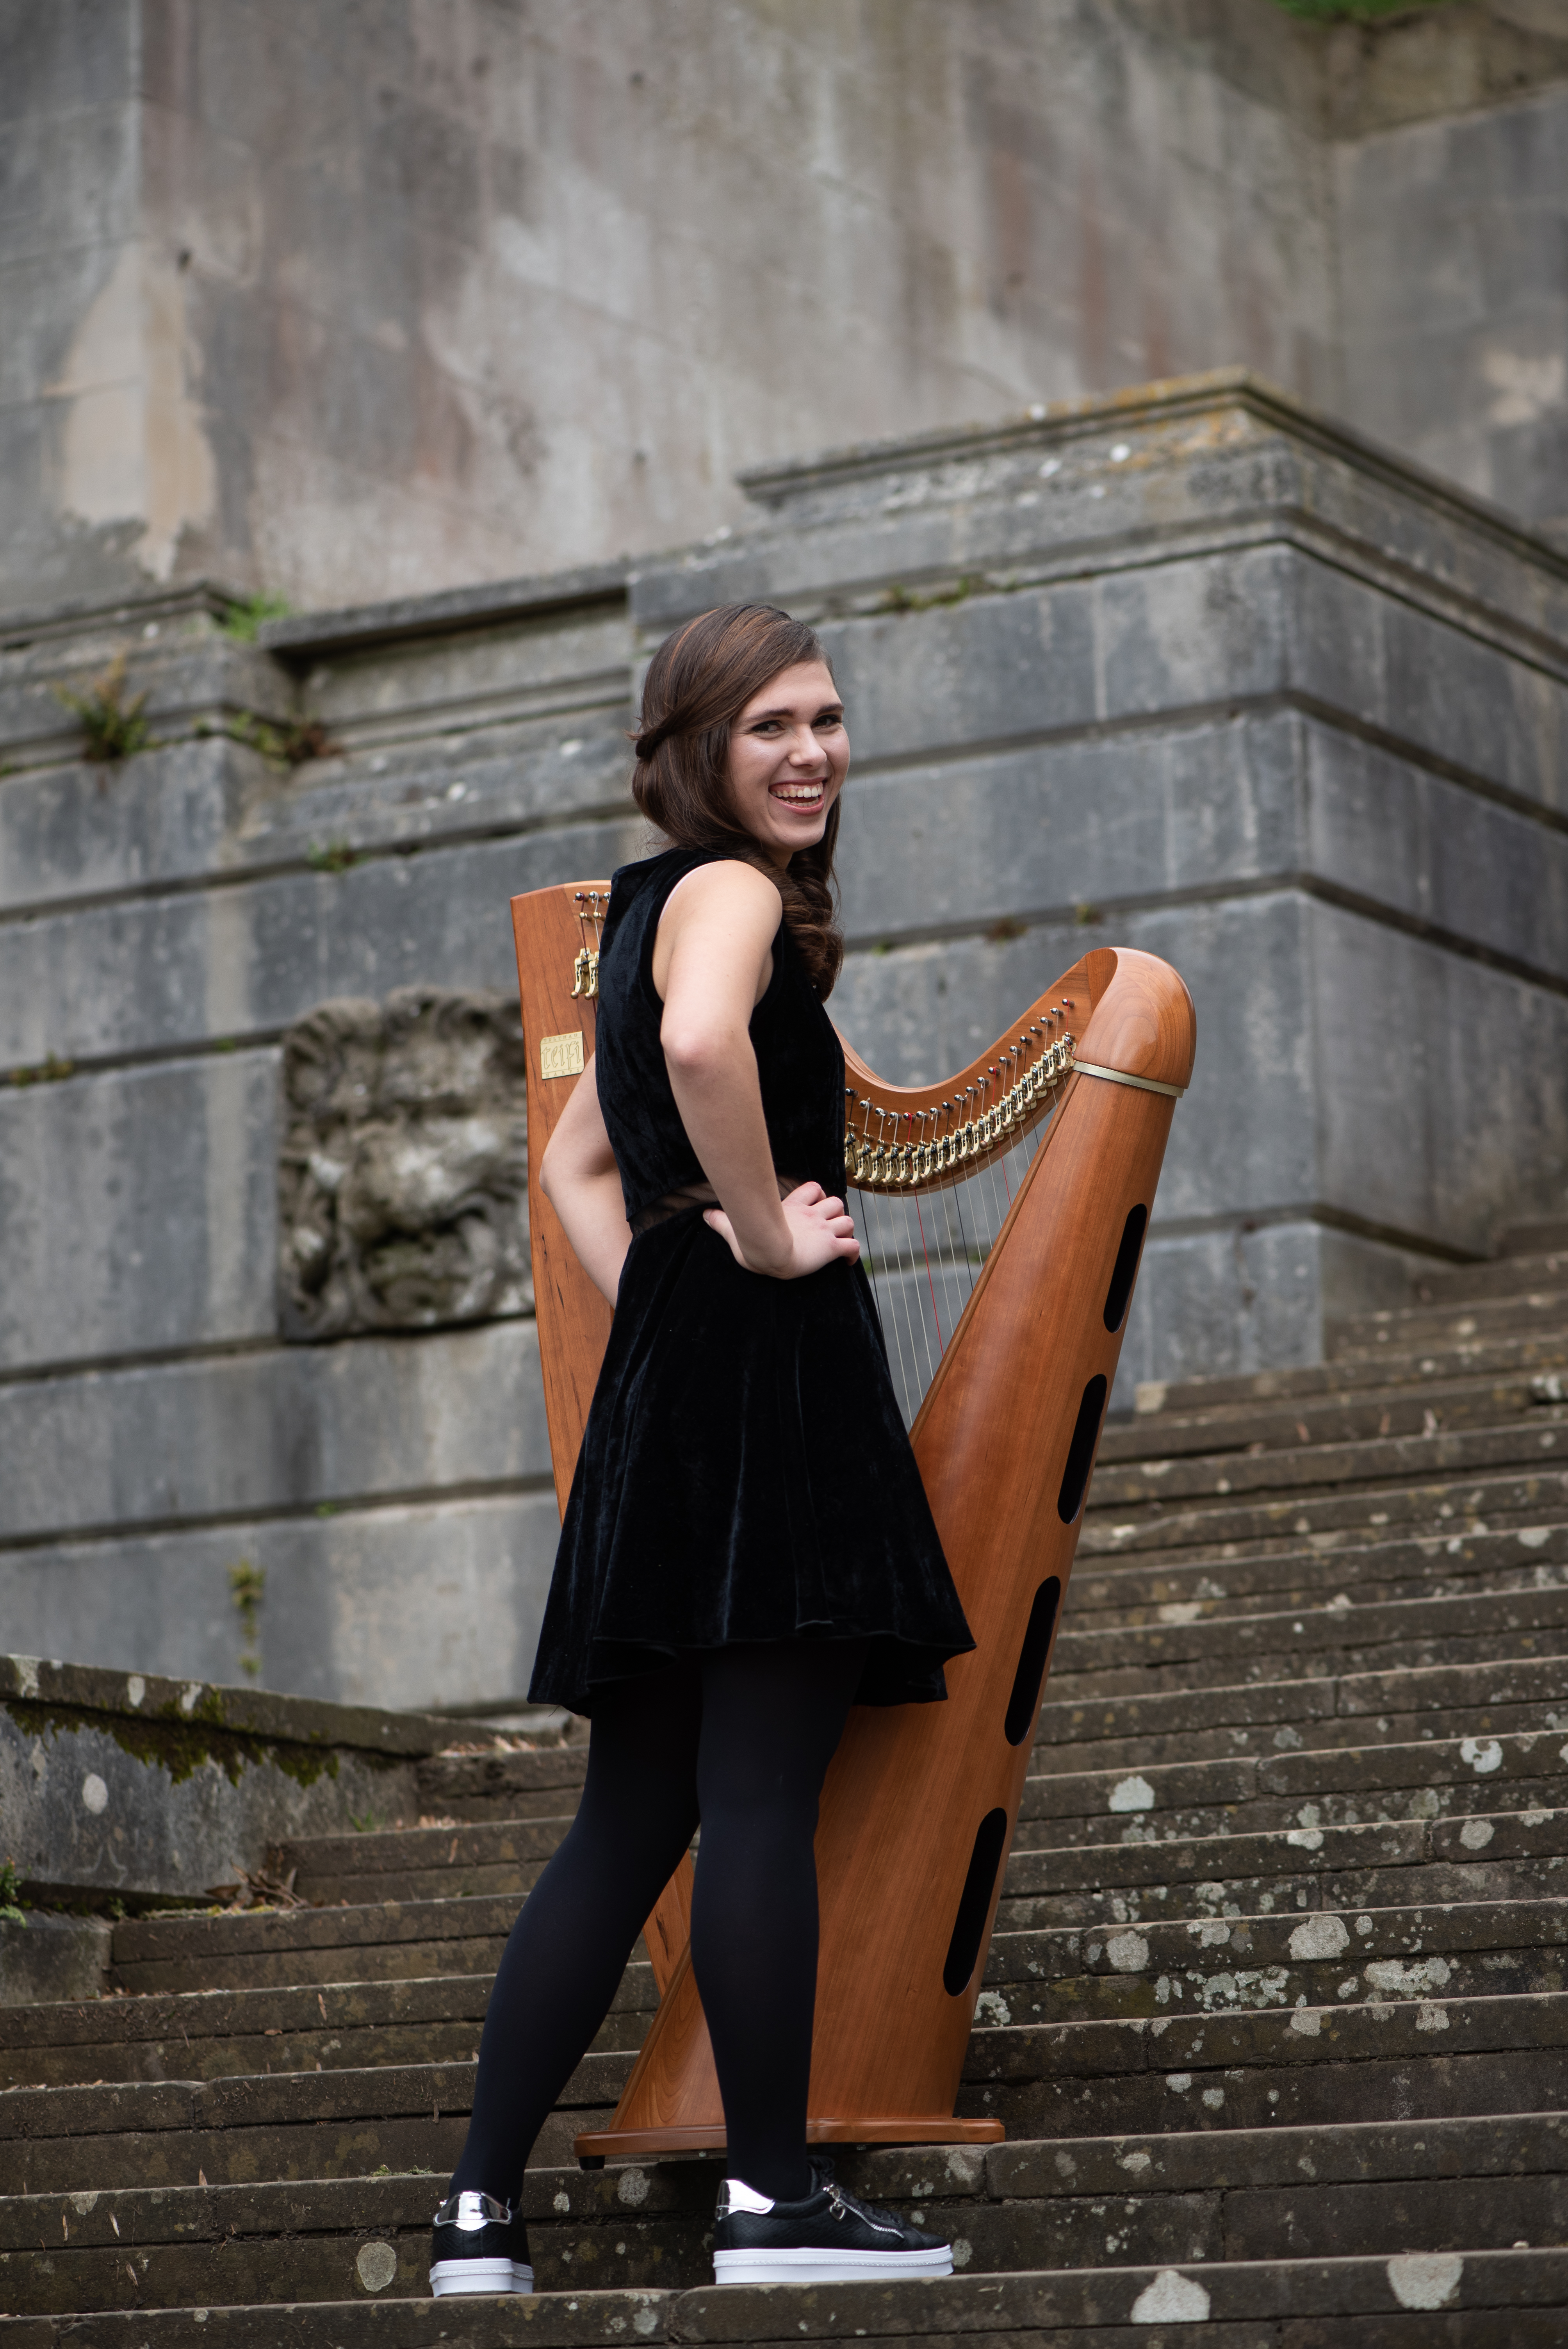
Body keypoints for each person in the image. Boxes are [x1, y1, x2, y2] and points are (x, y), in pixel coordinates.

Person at [430, 603, 974, 2297]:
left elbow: (574, 1170)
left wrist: (668, 1276)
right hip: (764, 1373)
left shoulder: (641, 914)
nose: (811, 751)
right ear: (697, 751)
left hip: (671, 1381)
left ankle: (474, 2218)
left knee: (627, 1818)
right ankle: (768, 2200)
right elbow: (690, 1052)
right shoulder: (728, 893)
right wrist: (754, 1239)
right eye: (770, 728)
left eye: (826, 719)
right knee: (750, 1796)